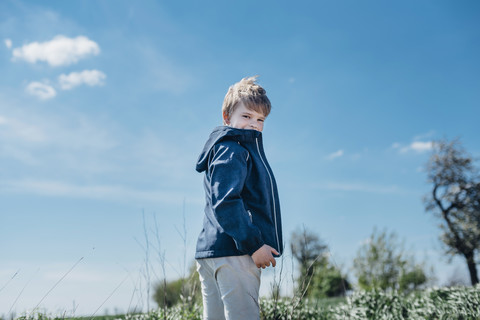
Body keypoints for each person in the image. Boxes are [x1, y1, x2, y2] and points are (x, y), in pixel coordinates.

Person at [195, 76, 283, 320]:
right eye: (246, 116)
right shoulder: (234, 150)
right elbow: (226, 202)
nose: (253, 124)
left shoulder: (223, 148)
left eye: (260, 119)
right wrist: (254, 244)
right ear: (227, 117)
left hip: (211, 251)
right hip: (236, 251)